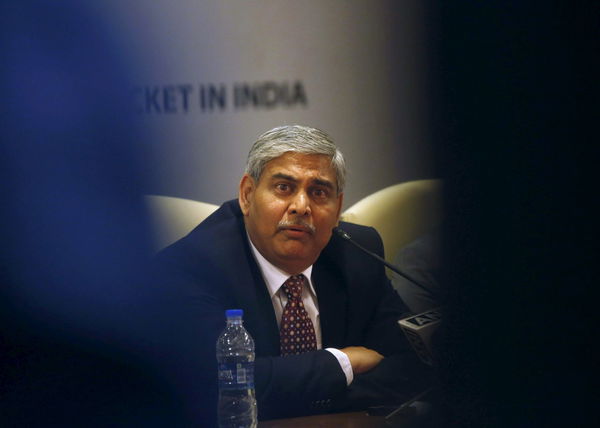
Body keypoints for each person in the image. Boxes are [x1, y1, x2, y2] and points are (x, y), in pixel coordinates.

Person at [155, 125, 430, 422]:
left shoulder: (357, 253)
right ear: (247, 195)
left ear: (337, 208)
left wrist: (295, 394)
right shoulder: (192, 265)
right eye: (284, 187)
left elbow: (411, 365)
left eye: (318, 192)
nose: (301, 206)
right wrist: (342, 363)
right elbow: (216, 386)